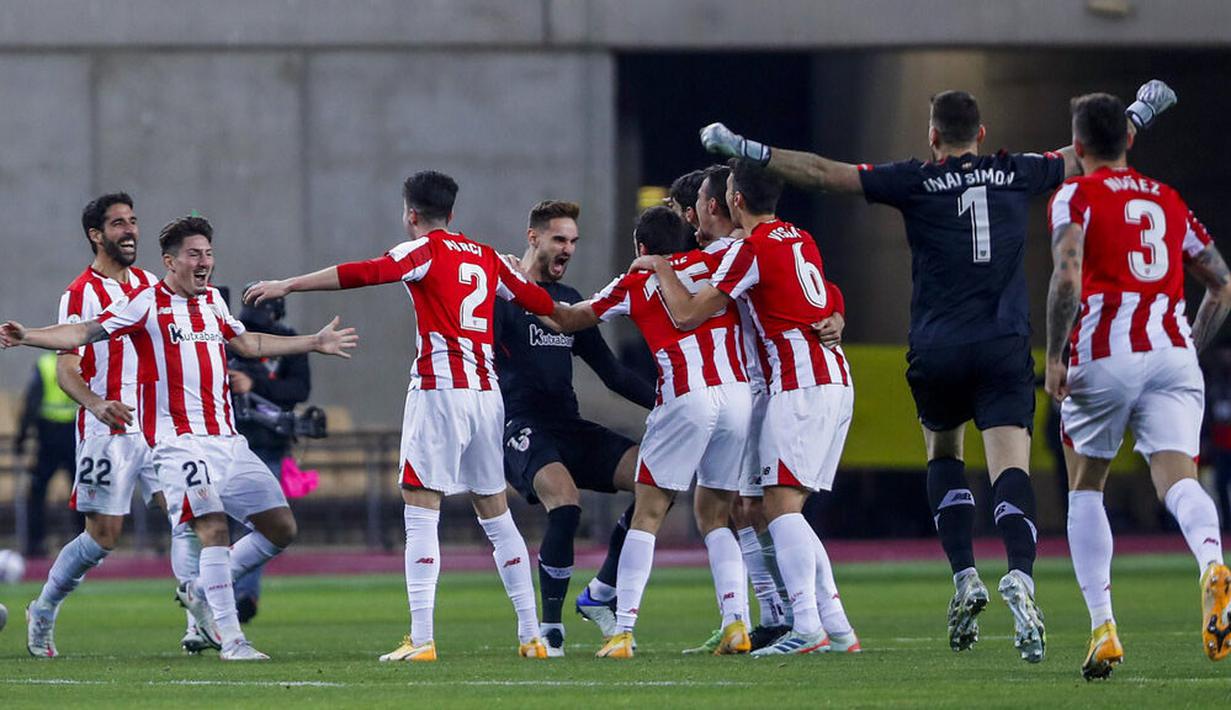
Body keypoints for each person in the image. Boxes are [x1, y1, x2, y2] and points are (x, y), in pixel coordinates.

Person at [699, 79, 1178, 663]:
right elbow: (1090, 151)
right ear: (981, 134)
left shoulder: (915, 179)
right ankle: (1021, 575)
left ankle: (964, 576)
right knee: (1010, 464)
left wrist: (746, 149)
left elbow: (826, 173)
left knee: (944, 456)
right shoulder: (1017, 170)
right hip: (1004, 344)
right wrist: (1141, 112)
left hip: (937, 347)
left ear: (932, 137)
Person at [1, 214, 358, 661]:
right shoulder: (144, 302)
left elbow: (249, 345)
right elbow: (83, 333)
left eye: (208, 253)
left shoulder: (212, 304)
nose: (204, 261)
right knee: (196, 527)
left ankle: (199, 589)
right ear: (171, 261)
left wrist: (314, 342)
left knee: (281, 528)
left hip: (227, 441)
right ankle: (230, 639)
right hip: (171, 441)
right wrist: (29, 335)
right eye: (194, 254)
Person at [245, 170, 558, 662]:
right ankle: (531, 634)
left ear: (411, 214)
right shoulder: (488, 257)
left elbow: (363, 272)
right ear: (453, 214)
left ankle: (422, 638)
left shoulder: (423, 250)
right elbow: (540, 302)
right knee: (496, 513)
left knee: (420, 508)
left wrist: (289, 284)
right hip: (486, 396)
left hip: (440, 391)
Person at [629, 161, 855, 656]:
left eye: (699, 208)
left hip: (786, 384)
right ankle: (826, 624)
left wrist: (661, 266)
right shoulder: (797, 236)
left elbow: (688, 313)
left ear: (726, 203)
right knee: (763, 506)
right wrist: (836, 308)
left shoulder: (740, 251)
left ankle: (803, 622)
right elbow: (818, 285)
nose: (693, 221)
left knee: (774, 507)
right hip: (823, 377)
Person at [1044, 92, 1231, 679]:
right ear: (1128, 139)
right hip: (1172, 352)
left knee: (1085, 484)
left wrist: (1054, 355)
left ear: (1077, 147)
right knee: (1176, 479)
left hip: (1105, 353)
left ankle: (1103, 628)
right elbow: (1221, 283)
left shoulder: (1074, 194)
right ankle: (1212, 562)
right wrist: (1187, 348)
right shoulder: (1168, 199)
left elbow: (1068, 274)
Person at [547, 205, 753, 658]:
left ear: (641, 248)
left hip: (687, 396)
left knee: (648, 513)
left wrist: (515, 289)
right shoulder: (719, 260)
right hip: (739, 397)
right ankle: (736, 621)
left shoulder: (636, 280)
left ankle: (622, 630)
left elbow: (566, 318)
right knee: (717, 515)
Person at [22, 193, 208, 658]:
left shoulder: (150, 283)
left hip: (159, 428)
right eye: (118, 223)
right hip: (109, 431)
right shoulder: (80, 293)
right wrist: (96, 403)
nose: (130, 231)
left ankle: (197, 622)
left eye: (133, 221)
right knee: (102, 537)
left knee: (190, 513)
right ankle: (43, 609)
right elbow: (67, 367)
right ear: (96, 234)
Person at [494, 200, 656, 656]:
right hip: (521, 426)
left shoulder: (568, 302)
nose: (568, 249)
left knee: (656, 480)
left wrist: (667, 402)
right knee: (565, 504)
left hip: (569, 425)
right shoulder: (503, 296)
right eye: (559, 239)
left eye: (573, 241)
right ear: (534, 238)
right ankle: (549, 628)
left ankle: (601, 593)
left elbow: (612, 372)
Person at [228, 293, 312, 623]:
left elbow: (297, 392)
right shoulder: (232, 337)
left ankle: (241, 595)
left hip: (269, 443)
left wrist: (255, 385)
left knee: (259, 523)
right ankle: (223, 594)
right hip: (229, 440)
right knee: (215, 524)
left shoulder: (290, 342)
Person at [14, 353, 78, 560]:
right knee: (82, 494)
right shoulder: (80, 360)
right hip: (74, 436)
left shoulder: (45, 364)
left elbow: (32, 402)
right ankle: (87, 544)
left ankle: (35, 545)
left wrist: (22, 438)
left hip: (48, 437)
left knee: (37, 493)